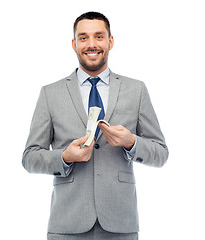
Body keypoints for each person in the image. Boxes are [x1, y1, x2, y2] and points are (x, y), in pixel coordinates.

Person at [22, 11, 169, 240]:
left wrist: (132, 142)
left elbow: (161, 153)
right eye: (83, 38)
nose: (92, 44)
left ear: (110, 41)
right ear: (74, 44)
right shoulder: (50, 94)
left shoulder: (136, 90)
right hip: (67, 224)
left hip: (121, 223)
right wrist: (65, 157)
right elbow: (29, 158)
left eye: (99, 36)